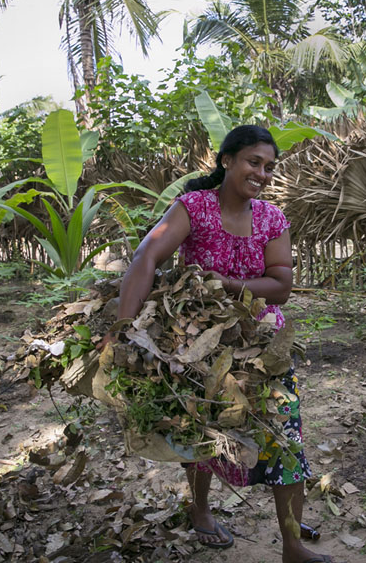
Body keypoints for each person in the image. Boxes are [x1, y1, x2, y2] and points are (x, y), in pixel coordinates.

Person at [99, 125, 332, 563]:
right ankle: (201, 509)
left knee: (284, 438)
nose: (262, 173)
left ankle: (291, 544)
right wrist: (124, 328)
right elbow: (147, 257)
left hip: (263, 346)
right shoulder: (193, 208)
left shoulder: (271, 218)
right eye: (253, 162)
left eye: (269, 167)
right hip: (199, 345)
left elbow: (281, 286)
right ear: (227, 160)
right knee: (204, 435)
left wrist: (227, 284)